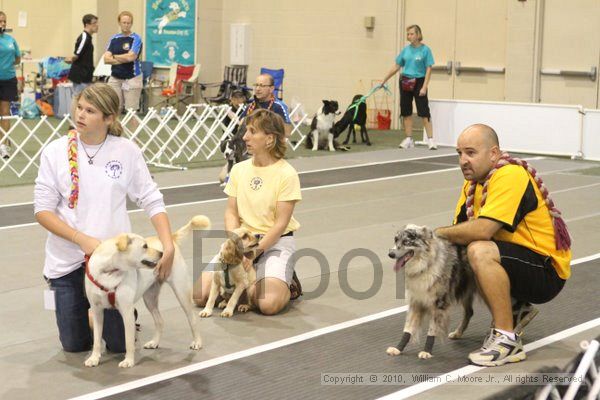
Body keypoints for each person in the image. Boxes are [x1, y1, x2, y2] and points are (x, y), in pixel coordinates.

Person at [34, 83, 174, 353]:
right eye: (80, 107)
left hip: (115, 264)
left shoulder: (127, 151)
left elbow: (151, 198)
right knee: (74, 345)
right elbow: (42, 211)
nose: (80, 115)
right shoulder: (54, 151)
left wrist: (167, 245)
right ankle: (91, 309)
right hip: (68, 261)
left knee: (121, 347)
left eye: (90, 110)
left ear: (109, 118)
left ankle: (107, 309)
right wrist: (80, 239)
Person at [435, 124, 572, 367]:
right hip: (518, 261)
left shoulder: (510, 175)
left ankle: (507, 341)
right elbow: (458, 232)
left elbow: (482, 230)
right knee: (464, 251)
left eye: (470, 152)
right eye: (459, 153)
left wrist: (432, 235)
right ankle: (516, 308)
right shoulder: (473, 184)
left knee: (478, 249)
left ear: (494, 153)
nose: (463, 161)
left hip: (546, 270)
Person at [194, 109, 302, 315]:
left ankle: (287, 283)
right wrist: (236, 243)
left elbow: (280, 224)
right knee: (200, 296)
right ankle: (251, 284)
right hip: (242, 241)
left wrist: (254, 252)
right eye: (246, 131)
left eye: (252, 131)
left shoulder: (287, 173)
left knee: (267, 305)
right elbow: (231, 212)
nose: (244, 137)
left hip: (274, 243)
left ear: (270, 139)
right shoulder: (238, 170)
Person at [380, 24, 436, 150]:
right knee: (406, 111)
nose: (409, 36)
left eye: (411, 33)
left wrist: (425, 86)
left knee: (423, 111)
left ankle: (431, 139)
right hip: (406, 80)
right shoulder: (406, 50)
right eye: (408, 34)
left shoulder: (425, 50)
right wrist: (384, 80)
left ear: (418, 35)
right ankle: (408, 139)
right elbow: (396, 66)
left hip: (420, 81)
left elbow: (429, 68)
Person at [103, 11, 143, 113]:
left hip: (132, 78)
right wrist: (123, 58)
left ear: (131, 23)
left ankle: (133, 129)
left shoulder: (136, 38)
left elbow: (131, 57)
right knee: (114, 109)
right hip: (115, 78)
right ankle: (115, 129)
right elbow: (106, 59)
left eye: (128, 23)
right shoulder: (114, 39)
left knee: (131, 111)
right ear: (119, 23)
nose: (126, 25)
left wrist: (115, 56)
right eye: (124, 22)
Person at [241, 73, 292, 138]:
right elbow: (241, 124)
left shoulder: (278, 106)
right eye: (256, 85)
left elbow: (287, 132)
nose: (258, 89)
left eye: (262, 86)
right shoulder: (251, 106)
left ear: (271, 89)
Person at [0, 11, 20, 159]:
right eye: (0, 21)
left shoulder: (11, 39)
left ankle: (3, 145)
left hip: (8, 80)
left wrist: (6, 66)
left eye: (4, 21)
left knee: (5, 112)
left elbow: (17, 59)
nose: (3, 24)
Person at [66, 14, 99, 95]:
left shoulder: (88, 37)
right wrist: (70, 59)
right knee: (78, 98)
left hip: (86, 74)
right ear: (87, 25)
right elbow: (77, 54)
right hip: (80, 76)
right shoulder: (84, 37)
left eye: (97, 23)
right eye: (94, 23)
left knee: (82, 99)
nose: (97, 25)